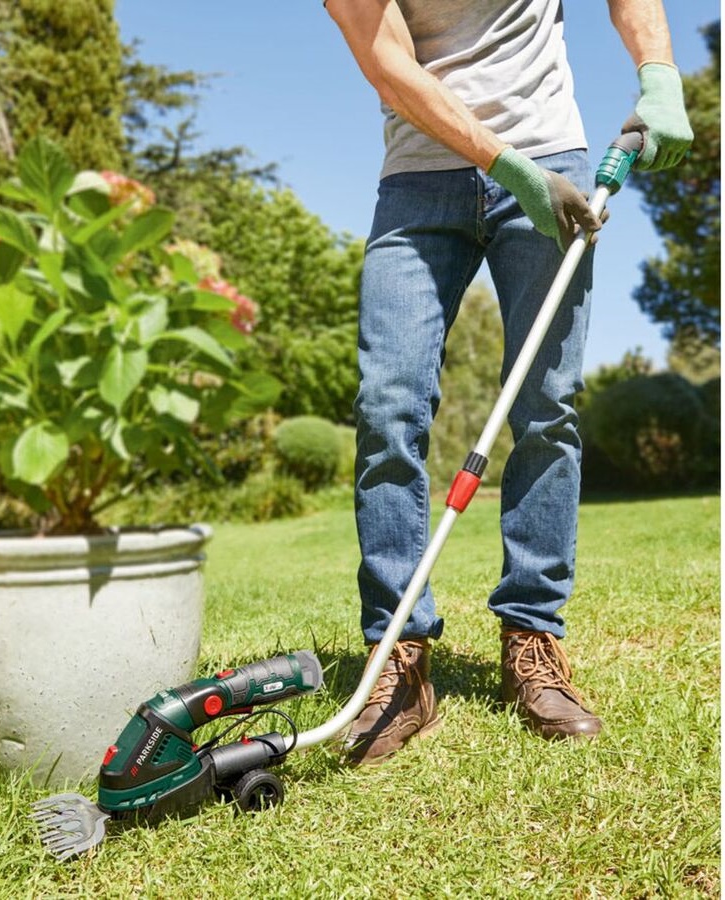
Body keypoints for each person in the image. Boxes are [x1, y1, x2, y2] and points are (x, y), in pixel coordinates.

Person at [323, 0, 693, 765]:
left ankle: (532, 637)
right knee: (388, 405)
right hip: (418, 180)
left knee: (547, 408)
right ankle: (399, 655)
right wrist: (504, 164)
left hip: (552, 153)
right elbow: (386, 60)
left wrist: (659, 75)